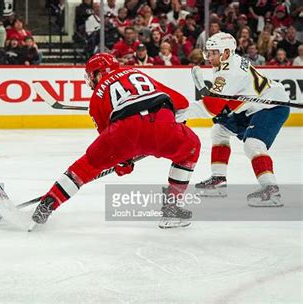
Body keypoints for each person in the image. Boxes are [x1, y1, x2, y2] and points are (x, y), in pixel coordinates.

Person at [30, 53, 201, 229]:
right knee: (191, 148)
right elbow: (182, 103)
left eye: (90, 75)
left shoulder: (96, 98)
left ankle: (46, 205)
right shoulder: (136, 73)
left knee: (86, 165)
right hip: (162, 121)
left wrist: (123, 162)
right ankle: (171, 210)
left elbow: (109, 140)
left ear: (98, 74)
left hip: (124, 131)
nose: (90, 80)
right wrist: (174, 126)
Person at [182, 32, 290, 207]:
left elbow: (211, 108)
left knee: (253, 145)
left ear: (226, 52)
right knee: (220, 130)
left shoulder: (229, 73)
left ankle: (271, 191)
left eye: (213, 52)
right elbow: (224, 101)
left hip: (271, 107)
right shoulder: (229, 61)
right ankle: (219, 180)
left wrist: (180, 113)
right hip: (249, 107)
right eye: (208, 52)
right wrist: (209, 95)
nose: (209, 57)